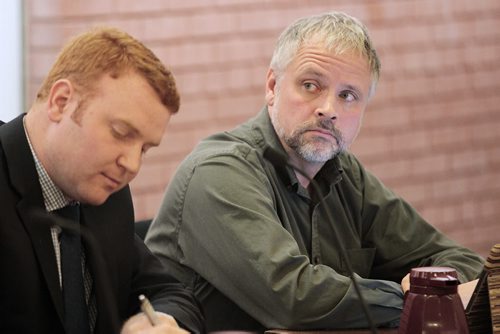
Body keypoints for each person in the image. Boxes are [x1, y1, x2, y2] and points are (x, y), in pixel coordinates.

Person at [145, 11, 485, 332]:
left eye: (348, 95)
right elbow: (292, 298)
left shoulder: (344, 174)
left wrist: (436, 286)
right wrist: (416, 297)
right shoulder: (218, 172)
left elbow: (459, 260)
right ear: (272, 86)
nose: (328, 110)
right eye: (310, 85)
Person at [0, 28, 204, 334]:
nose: (132, 165)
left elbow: (168, 292)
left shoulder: (106, 192)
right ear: (61, 101)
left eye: (145, 149)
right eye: (121, 133)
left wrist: (163, 322)